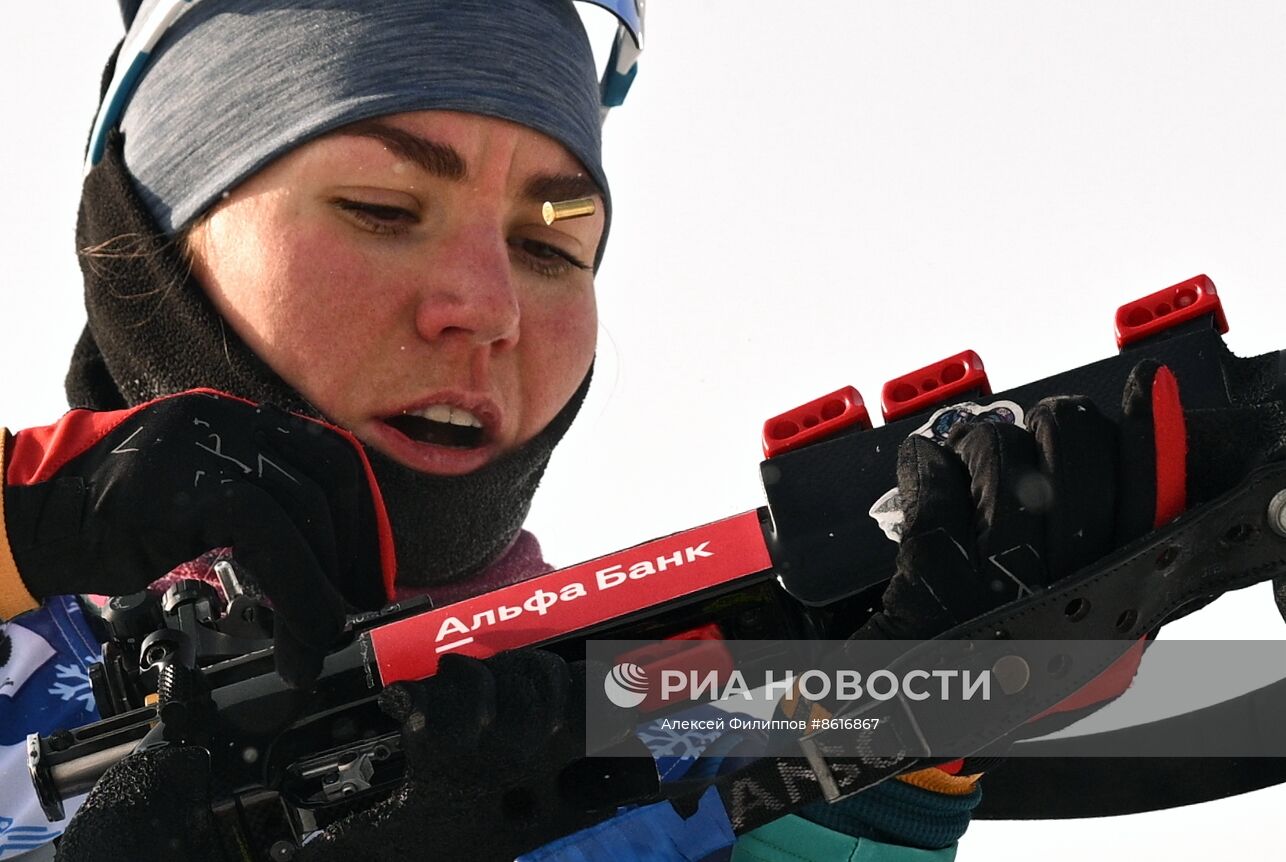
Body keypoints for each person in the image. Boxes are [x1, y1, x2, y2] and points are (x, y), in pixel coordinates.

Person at [0, 2, 1283, 861]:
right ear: (153, 245)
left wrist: (884, 727)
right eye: (383, 206)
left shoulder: (640, 724)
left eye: (555, 239)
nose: (487, 308)